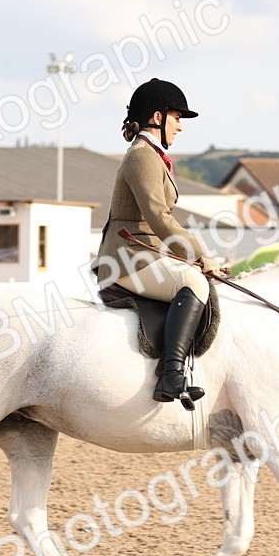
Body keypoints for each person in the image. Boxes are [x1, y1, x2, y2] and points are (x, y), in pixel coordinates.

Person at [94, 78, 227, 405]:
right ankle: (171, 373)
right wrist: (200, 253)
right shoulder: (142, 156)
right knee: (194, 282)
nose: (180, 127)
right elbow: (158, 217)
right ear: (157, 117)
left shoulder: (152, 155)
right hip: (127, 259)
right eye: (177, 117)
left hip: (143, 254)